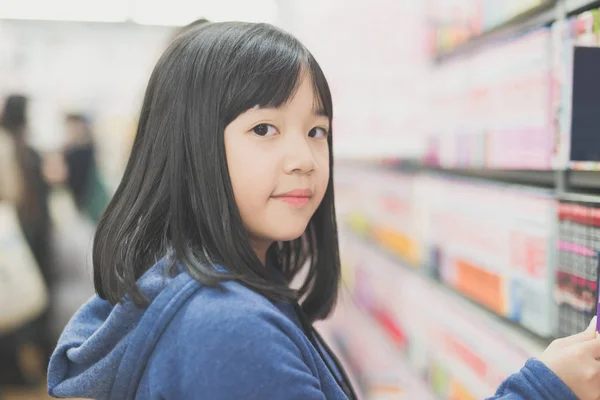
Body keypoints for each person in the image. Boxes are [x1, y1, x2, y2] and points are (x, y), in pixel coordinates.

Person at [47, 22, 600, 400]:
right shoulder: (226, 328)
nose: (304, 160)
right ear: (189, 148)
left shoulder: (193, 284)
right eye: (264, 129)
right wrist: (543, 389)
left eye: (316, 131)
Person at [0, 94, 53, 386]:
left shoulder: (18, 146)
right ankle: (17, 368)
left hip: (20, 236)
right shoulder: (17, 147)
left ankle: (18, 368)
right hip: (19, 237)